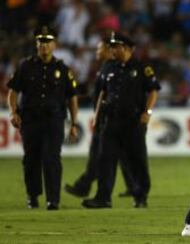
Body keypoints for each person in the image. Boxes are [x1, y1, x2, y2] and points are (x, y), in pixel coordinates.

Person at [82, 32, 160, 209]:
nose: (112, 50)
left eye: (115, 47)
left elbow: (153, 90)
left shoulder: (141, 67)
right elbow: (102, 91)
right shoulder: (108, 67)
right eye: (111, 47)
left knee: (137, 160)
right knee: (105, 159)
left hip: (133, 122)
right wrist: (96, 116)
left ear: (125, 48)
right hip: (111, 120)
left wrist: (147, 111)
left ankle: (140, 196)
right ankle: (103, 198)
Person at [7, 25, 78, 210]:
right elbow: (13, 91)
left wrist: (74, 123)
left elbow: (72, 97)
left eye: (47, 42)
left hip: (53, 120)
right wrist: (13, 112)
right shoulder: (25, 66)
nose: (44, 45)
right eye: (40, 42)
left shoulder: (62, 69)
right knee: (31, 159)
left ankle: (52, 199)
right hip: (30, 120)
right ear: (36, 44)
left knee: (52, 158)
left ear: (54, 44)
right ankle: (33, 195)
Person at [64, 39, 135, 198]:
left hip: (107, 119)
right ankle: (134, 186)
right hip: (106, 118)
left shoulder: (111, 68)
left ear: (108, 51)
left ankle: (84, 185)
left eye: (99, 49)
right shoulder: (105, 67)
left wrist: (99, 117)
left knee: (98, 155)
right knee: (121, 155)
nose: (96, 52)